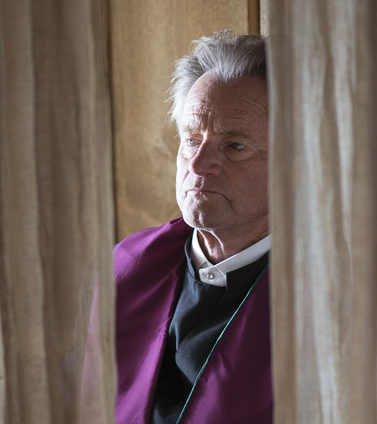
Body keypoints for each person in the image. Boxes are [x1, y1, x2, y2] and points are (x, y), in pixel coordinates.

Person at [114, 31, 272, 424]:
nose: (198, 166)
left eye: (234, 146)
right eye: (191, 140)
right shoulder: (127, 265)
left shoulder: (333, 297)